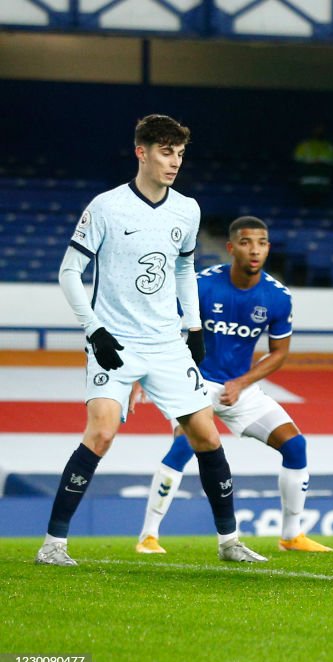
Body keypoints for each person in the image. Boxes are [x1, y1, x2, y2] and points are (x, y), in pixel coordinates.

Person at [38, 114, 266, 566]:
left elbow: (183, 269)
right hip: (115, 341)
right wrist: (94, 330)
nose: (175, 162)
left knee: (207, 437)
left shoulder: (187, 209)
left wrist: (194, 326)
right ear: (140, 152)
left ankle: (230, 541)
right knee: (101, 433)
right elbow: (68, 271)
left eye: (180, 153)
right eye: (166, 152)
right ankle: (54, 544)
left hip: (166, 344)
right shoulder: (105, 207)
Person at [136, 216, 332, 555]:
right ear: (231, 248)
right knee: (185, 446)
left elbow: (279, 353)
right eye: (246, 242)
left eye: (262, 242)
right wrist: (143, 374)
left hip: (240, 390)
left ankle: (291, 536)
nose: (255, 250)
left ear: (269, 248)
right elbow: (158, 324)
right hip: (194, 384)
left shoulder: (277, 297)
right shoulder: (201, 285)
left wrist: (242, 382)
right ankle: (148, 536)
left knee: (295, 446)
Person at [293, 123, 333, 207]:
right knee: (306, 197)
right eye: (316, 130)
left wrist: (320, 161)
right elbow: (298, 159)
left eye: (320, 130)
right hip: (307, 175)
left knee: (321, 198)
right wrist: (310, 162)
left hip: (322, 176)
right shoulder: (303, 145)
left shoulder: (329, 146)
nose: (318, 132)